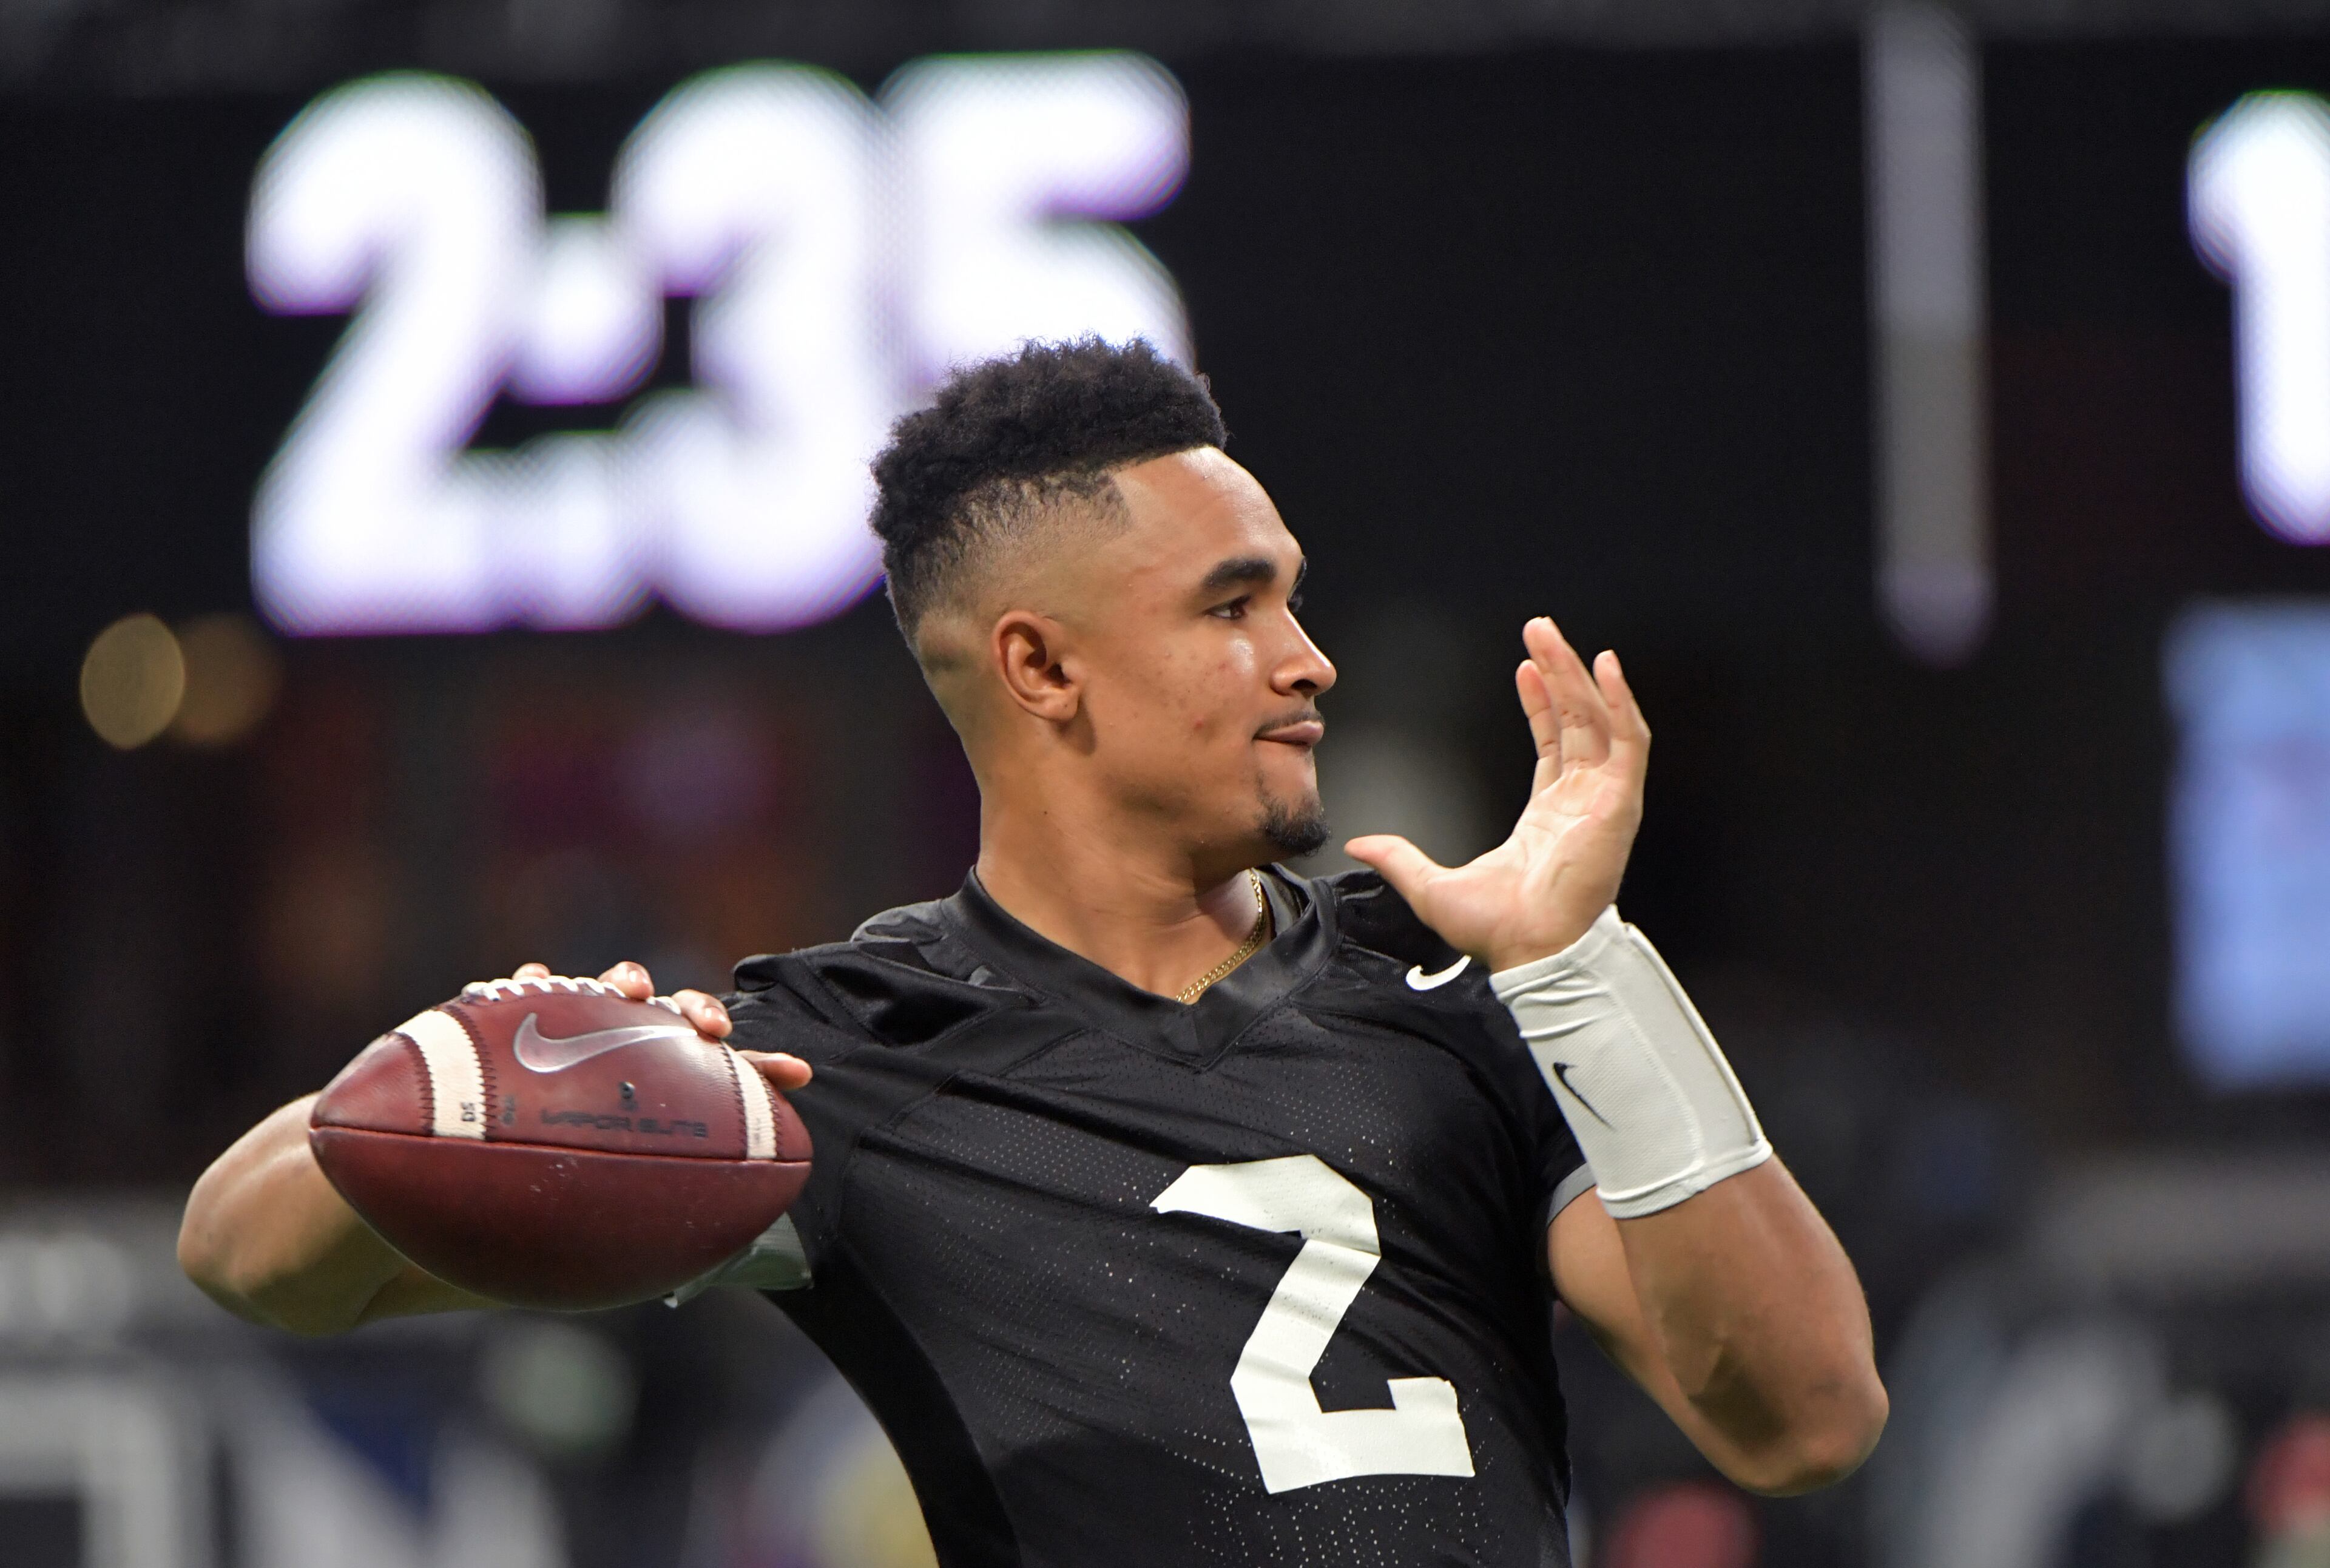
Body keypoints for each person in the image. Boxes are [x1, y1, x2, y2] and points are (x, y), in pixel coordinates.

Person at [181, 339, 1886, 1566]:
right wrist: (503, 1061)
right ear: (1042, 668)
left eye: (1292, 599)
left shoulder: (1461, 983)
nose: (1307, 659)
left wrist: (1583, 958)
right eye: (1233, 607)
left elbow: (1806, 1419)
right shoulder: (843, 1056)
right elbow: (248, 1252)